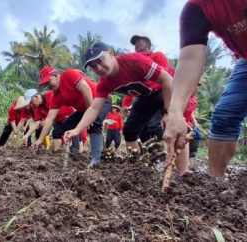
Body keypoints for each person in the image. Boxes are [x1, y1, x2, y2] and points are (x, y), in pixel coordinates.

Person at [65, 41, 189, 174]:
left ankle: (183, 175)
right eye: (94, 66)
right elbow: (94, 109)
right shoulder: (104, 83)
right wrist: (77, 130)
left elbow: (167, 80)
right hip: (145, 97)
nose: (99, 68)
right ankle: (139, 171)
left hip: (167, 89)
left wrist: (168, 112)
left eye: (101, 61)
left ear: (111, 53)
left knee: (173, 125)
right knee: (130, 131)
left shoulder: (135, 61)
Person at [163, 0, 247, 178]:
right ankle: (216, 185)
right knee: (225, 115)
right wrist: (175, 112)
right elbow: (190, 60)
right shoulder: (198, 8)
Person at [33, 66, 112, 166]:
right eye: (45, 84)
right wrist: (40, 139)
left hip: (101, 100)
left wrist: (90, 117)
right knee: (67, 124)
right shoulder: (56, 96)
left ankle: (96, 160)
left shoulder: (69, 75)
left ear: (55, 75)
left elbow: (86, 89)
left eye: (48, 82)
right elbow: (50, 118)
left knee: (94, 123)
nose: (48, 86)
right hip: (84, 110)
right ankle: (75, 152)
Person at [122, 35, 171, 142]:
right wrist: (126, 103)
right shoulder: (133, 61)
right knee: (137, 129)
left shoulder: (157, 56)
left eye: (139, 41)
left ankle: (163, 155)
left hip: (158, 94)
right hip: (143, 96)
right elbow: (132, 83)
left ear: (147, 44)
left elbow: (166, 76)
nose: (136, 44)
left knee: (155, 126)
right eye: (135, 43)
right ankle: (149, 155)